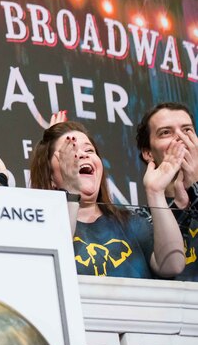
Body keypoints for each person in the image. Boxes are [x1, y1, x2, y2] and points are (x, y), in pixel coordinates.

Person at [30, 121, 185, 278]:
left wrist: (155, 192)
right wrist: (71, 192)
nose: (82, 154)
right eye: (69, 152)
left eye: (89, 150)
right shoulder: (42, 229)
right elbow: (46, 272)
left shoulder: (131, 222)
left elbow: (172, 265)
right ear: (51, 178)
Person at [136, 102, 198, 281]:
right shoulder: (138, 219)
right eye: (166, 132)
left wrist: (195, 184)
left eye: (187, 130)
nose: (180, 138)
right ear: (148, 153)